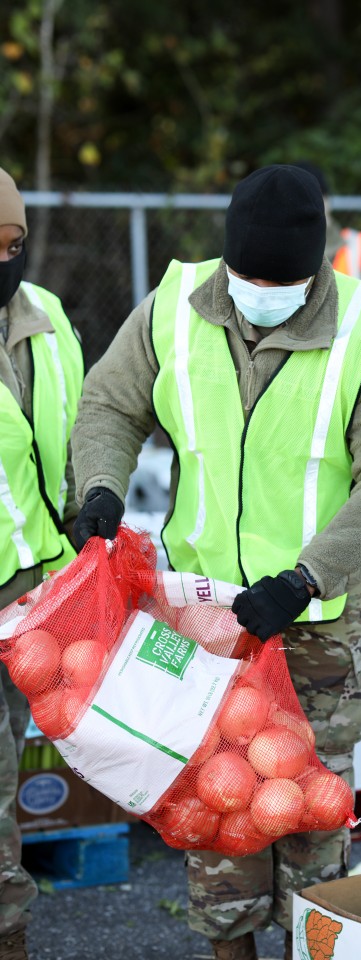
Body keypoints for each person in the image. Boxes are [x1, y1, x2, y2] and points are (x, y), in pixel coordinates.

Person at [70, 164, 361, 960]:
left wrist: (306, 579)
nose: (260, 290)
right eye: (247, 275)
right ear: (225, 256)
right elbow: (110, 402)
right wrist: (99, 488)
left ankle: (318, 947)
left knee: (309, 827)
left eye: (282, 280)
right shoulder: (173, 307)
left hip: (317, 632)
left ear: (317, 269)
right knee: (218, 812)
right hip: (205, 624)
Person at [0, 168, 83, 960]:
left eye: (13, 243)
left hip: (36, 593)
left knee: (9, 779)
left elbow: (81, 426)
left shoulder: (46, 318)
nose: (3, 258)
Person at [293, 161, 361, 295]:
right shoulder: (275, 251)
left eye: (314, 198)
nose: (308, 209)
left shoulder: (357, 247)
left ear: (327, 200)